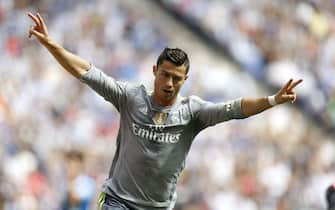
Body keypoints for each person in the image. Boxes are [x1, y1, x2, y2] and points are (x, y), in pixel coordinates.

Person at [27, 12, 303, 210]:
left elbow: (235, 108)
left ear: (185, 80)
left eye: (177, 78)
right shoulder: (130, 97)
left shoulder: (193, 112)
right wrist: (51, 44)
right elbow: (87, 72)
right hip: (118, 202)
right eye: (165, 75)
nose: (169, 83)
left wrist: (272, 99)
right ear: (154, 71)